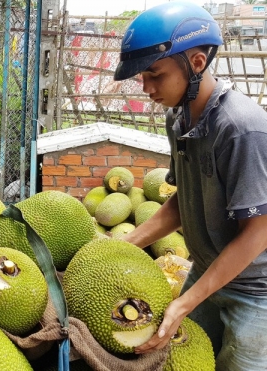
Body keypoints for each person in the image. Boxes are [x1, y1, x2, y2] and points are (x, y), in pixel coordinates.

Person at [113, 2, 267, 370]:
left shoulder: (242, 129)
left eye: (155, 74)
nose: (146, 87)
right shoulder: (178, 119)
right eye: (141, 77)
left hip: (257, 293)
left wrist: (184, 302)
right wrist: (124, 245)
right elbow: (184, 201)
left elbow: (257, 233)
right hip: (207, 273)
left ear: (197, 63)